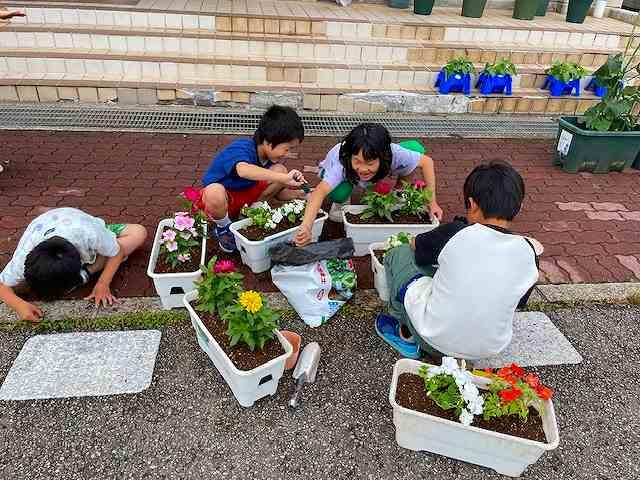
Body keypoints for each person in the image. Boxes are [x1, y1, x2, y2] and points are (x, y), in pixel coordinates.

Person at [376, 161, 539, 361]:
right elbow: (518, 303)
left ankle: (404, 330)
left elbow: (415, 246)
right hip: (486, 350)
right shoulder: (529, 251)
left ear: (472, 204)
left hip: (432, 340)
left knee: (399, 254)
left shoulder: (457, 232)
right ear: (519, 207)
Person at [293, 123, 443, 247]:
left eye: (370, 163)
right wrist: (306, 227)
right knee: (339, 192)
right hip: (339, 172)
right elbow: (319, 193)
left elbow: (427, 162)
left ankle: (399, 190)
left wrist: (432, 203)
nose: (363, 169)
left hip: (381, 165)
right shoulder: (341, 163)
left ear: (383, 157)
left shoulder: (393, 153)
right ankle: (340, 203)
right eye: (357, 161)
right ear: (350, 156)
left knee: (415, 148)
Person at [0, 208, 147, 322]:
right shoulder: (25, 256)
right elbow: (1, 285)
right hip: (49, 224)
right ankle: (86, 271)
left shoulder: (91, 234)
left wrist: (103, 283)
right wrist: (18, 305)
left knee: (139, 232)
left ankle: (88, 271)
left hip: (81, 224)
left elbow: (117, 252)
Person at [201, 105, 307, 253]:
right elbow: (243, 170)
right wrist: (284, 177)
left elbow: (278, 193)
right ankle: (224, 227)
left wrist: (300, 194)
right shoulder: (241, 147)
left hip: (245, 199)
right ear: (269, 141)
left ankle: (247, 214)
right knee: (214, 191)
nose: (287, 153)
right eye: (287, 148)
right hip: (222, 202)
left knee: (280, 169)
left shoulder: (268, 158)